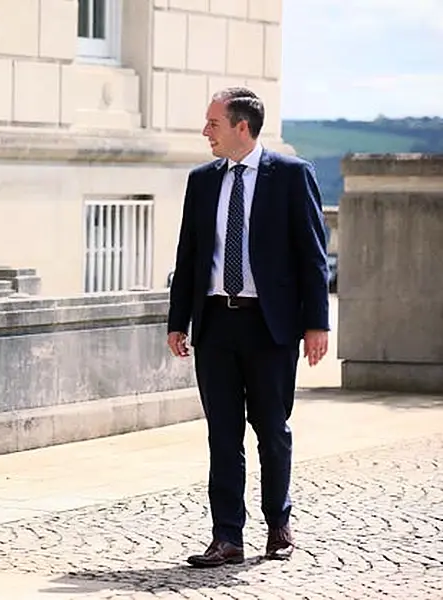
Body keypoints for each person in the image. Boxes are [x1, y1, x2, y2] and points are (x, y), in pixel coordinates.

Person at [166, 87, 329, 567]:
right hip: (216, 323)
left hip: (270, 327)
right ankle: (227, 537)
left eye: (213, 124)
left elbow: (313, 257)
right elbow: (189, 255)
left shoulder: (292, 177)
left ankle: (279, 525)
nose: (205, 133)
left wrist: (316, 324)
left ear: (242, 127)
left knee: (272, 431)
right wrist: (179, 321)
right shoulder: (202, 181)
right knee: (222, 433)